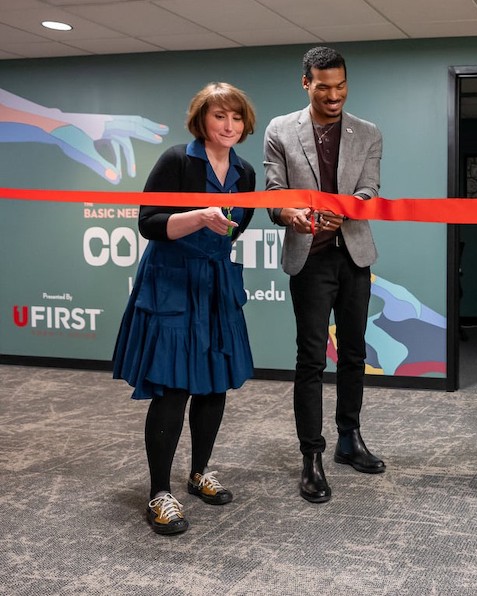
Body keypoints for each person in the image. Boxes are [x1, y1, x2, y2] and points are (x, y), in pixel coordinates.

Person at [112, 82, 257, 535]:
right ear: (202, 120)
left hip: (215, 283)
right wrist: (198, 216)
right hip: (172, 281)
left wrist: (216, 228)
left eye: (236, 117)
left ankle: (199, 474)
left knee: (214, 388)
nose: (228, 125)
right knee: (173, 389)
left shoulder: (246, 171)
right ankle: (159, 492)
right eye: (219, 117)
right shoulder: (177, 159)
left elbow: (236, 228)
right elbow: (147, 223)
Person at [264, 46, 384, 504]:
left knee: (353, 354)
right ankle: (310, 456)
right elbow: (274, 192)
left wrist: (349, 208)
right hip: (309, 258)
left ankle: (349, 440)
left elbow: (370, 188)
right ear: (306, 83)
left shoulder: (368, 133)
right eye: (323, 87)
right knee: (311, 359)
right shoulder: (280, 130)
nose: (333, 96)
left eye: (341, 86)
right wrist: (290, 215)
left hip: (353, 255)